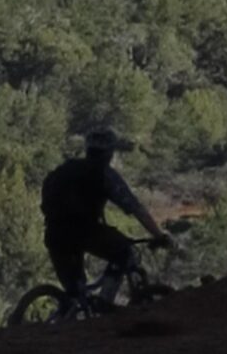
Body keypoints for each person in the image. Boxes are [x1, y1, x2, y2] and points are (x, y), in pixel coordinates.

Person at [40, 126, 169, 298]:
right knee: (124, 252)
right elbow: (136, 209)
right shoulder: (105, 175)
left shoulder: (66, 168)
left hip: (55, 232)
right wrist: (158, 235)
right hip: (84, 231)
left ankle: (66, 315)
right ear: (110, 152)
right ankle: (104, 302)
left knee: (75, 294)